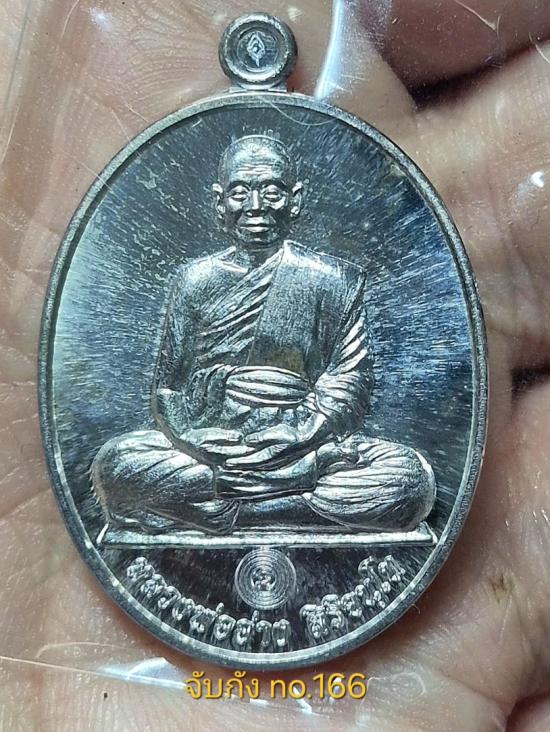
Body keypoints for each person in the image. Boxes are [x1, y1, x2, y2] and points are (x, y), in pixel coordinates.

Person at [91, 135, 436, 535]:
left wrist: (303, 436)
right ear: (220, 203)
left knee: (409, 481)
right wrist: (190, 439)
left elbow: (350, 382)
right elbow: (169, 388)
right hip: (214, 446)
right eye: (240, 192)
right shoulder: (193, 281)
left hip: (303, 444)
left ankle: (229, 509)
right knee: (115, 466)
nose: (255, 206)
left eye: (272, 191)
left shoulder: (333, 280)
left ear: (295, 200)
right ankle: (281, 499)